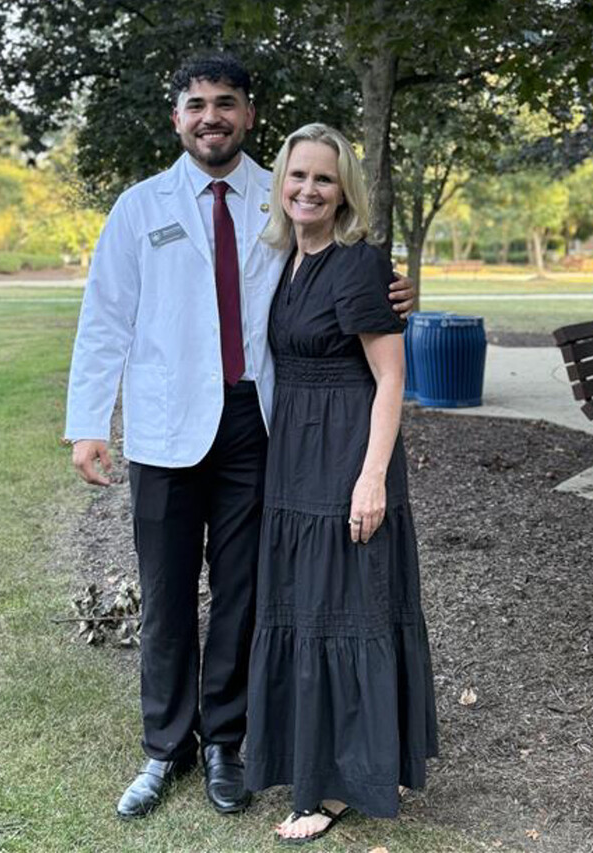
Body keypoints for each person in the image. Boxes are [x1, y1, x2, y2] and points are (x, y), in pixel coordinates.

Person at [64, 54, 414, 821]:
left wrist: (393, 291)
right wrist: (88, 422)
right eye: (196, 104)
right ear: (177, 117)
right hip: (164, 429)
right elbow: (105, 319)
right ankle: (166, 747)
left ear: (249, 115)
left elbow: (339, 269)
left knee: (241, 594)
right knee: (165, 596)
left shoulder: (280, 197)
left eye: (226, 102)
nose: (211, 116)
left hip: (259, 426)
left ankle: (226, 740)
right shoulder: (140, 207)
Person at [244, 123, 438, 844]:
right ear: (281, 184)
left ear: (344, 190)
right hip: (293, 454)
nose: (308, 189)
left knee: (343, 610)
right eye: (298, 175)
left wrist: (372, 478)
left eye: (324, 178)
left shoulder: (358, 264)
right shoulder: (283, 260)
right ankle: (326, 760)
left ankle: (333, 785)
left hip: (347, 454)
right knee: (310, 609)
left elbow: (390, 377)